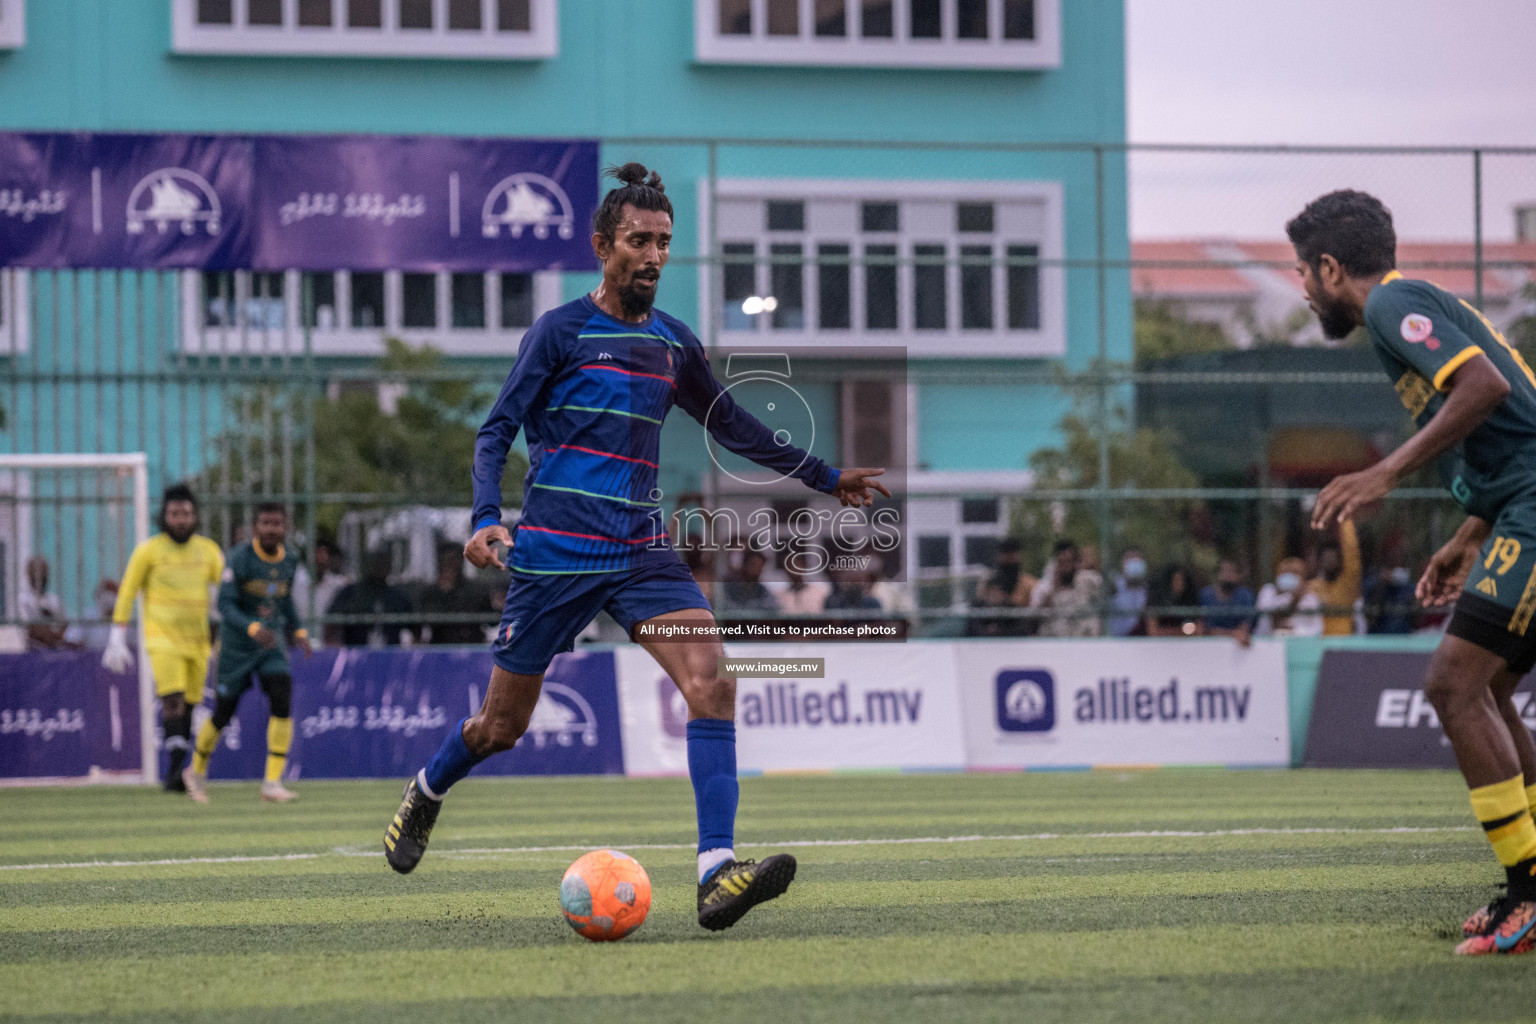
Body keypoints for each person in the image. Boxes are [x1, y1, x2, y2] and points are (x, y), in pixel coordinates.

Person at [382, 163, 890, 932]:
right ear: (601, 246)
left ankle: (716, 874)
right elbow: (496, 431)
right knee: (499, 729)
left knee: (713, 683)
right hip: (554, 556)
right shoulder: (560, 331)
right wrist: (486, 518)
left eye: (664, 243)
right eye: (638, 241)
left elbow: (733, 426)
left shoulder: (672, 344)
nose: (653, 256)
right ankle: (428, 789)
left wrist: (823, 476)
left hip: (643, 553)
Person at [1291, 188, 1536, 955]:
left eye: (1303, 272)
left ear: (1332, 267)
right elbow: (1514, 420)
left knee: (1452, 684)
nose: (1301, 288)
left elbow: (1487, 389)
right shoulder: (1404, 313)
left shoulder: (1395, 304)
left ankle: (1529, 895)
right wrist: (1468, 535)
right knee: (1486, 685)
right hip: (1517, 504)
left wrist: (1383, 474)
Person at [101, 484, 224, 792]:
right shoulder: (149, 551)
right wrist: (117, 634)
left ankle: (178, 765)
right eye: (174, 514)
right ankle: (174, 769)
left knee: (193, 704)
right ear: (164, 516)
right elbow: (128, 591)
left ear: (194, 516)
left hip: (198, 641)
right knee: (173, 699)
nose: (180, 520)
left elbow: (226, 590)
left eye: (185, 514)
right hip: (162, 638)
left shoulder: (208, 550)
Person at [187, 503, 312, 804]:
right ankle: (196, 772)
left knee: (282, 698)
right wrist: (251, 627)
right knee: (223, 712)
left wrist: (298, 630)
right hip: (236, 648)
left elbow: (284, 600)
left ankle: (272, 782)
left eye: (277, 524)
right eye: (266, 523)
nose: (271, 529)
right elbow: (225, 606)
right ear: (256, 527)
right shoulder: (239, 558)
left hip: (270, 646)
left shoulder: (291, 559)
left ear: (286, 528)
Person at [326, 550, 415, 646]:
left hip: (391, 654)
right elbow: (332, 623)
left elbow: (416, 630)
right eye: (376, 564)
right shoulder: (351, 592)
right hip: (355, 652)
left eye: (384, 564)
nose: (380, 569)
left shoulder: (397, 596)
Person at [419, 541, 497, 645]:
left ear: (461, 562)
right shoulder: (431, 592)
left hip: (471, 645)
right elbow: (431, 622)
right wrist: (445, 593)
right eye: (446, 562)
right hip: (441, 648)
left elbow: (491, 621)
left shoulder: (476, 589)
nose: (450, 566)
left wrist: (500, 608)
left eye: (453, 561)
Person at [1032, 540, 1103, 637]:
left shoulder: (1088, 580)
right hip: (1058, 642)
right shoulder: (1046, 587)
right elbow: (1037, 618)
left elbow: (1108, 590)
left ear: (1076, 562)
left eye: (1069, 561)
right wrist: (1054, 588)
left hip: (1086, 641)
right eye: (1062, 562)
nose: (1066, 566)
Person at [1307, 520, 1362, 636]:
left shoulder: (1347, 586)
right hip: (1318, 646)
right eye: (1326, 559)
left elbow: (1351, 551)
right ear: (1320, 562)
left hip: (1344, 645)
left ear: (1339, 562)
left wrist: (1345, 518)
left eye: (1333, 559)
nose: (1330, 562)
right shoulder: (1311, 589)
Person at [1254, 556, 1322, 637]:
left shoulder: (1311, 598)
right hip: (1267, 641)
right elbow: (1263, 609)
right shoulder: (1268, 590)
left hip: (1298, 643)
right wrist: (1288, 597)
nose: (1289, 576)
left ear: (1303, 577)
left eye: (1295, 573)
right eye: (1285, 572)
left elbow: (1317, 629)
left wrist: (1294, 631)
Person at [18, 556, 72, 650]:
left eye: (44, 571)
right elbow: (31, 628)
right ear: (29, 574)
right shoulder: (23, 599)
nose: (40, 575)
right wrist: (50, 635)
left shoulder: (54, 599)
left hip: (55, 649)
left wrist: (54, 637)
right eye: (36, 571)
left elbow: (64, 624)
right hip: (32, 651)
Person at [1199, 559, 1256, 641]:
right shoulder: (1205, 594)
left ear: (1238, 575)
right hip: (1210, 643)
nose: (1227, 575)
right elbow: (1201, 627)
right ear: (1218, 573)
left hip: (1237, 645)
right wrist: (1230, 634)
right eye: (1224, 570)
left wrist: (1235, 634)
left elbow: (1245, 627)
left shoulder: (1245, 595)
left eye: (1231, 571)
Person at [1146, 564, 1201, 636]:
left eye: (1182, 580)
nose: (1180, 583)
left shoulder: (1191, 600)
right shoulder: (1156, 600)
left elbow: (1198, 629)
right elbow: (1153, 631)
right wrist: (1180, 632)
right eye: (1177, 579)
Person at [720, 549, 778, 613]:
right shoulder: (729, 588)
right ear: (744, 565)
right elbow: (724, 607)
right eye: (753, 565)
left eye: (760, 566)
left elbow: (773, 609)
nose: (757, 570)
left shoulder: (762, 591)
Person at [1108, 548, 1149, 637]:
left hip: (1143, 643)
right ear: (1123, 564)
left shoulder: (1148, 590)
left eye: (1137, 559)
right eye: (1130, 558)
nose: (1134, 563)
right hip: (1118, 641)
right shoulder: (1113, 587)